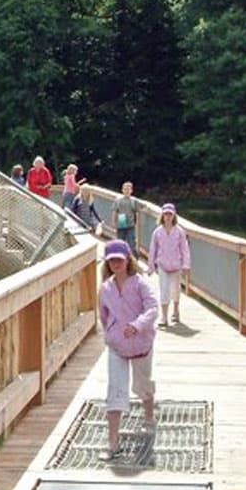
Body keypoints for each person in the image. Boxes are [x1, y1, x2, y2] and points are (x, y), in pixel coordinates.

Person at [97, 239, 158, 461]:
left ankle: (149, 416)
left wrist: (137, 325)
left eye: (119, 259)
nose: (115, 263)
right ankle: (113, 443)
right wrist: (112, 333)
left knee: (142, 385)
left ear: (127, 260)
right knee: (116, 390)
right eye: (111, 260)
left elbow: (153, 308)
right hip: (117, 346)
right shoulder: (105, 288)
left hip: (141, 344)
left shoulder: (140, 283)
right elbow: (103, 316)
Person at [147, 202, 191, 327]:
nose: (167, 216)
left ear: (174, 216)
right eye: (165, 214)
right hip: (162, 265)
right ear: (162, 215)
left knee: (175, 290)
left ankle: (176, 311)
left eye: (170, 214)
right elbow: (153, 249)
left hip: (176, 265)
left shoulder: (179, 232)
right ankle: (164, 316)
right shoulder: (157, 232)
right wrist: (151, 266)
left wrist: (186, 265)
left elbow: (184, 249)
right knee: (164, 290)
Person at [111, 181, 137, 246]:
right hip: (121, 224)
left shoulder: (133, 200)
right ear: (122, 190)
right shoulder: (118, 200)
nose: (127, 191)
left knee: (131, 243)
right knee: (120, 242)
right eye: (125, 189)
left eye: (128, 189)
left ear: (131, 191)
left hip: (131, 225)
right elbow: (114, 211)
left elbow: (137, 211)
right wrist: (113, 223)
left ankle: (131, 255)